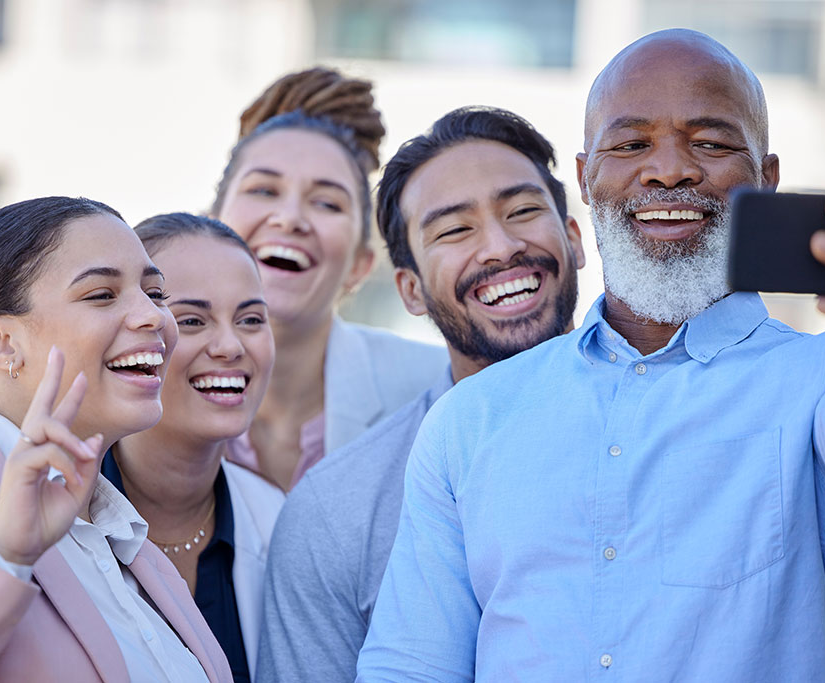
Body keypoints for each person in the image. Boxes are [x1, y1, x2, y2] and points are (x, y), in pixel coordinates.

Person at [357, 29, 825, 681]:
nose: (668, 170)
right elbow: (412, 666)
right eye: (632, 143)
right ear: (583, 178)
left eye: (711, 143)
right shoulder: (470, 421)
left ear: (766, 178)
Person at [257, 106, 585, 682]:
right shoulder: (336, 513)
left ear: (575, 239)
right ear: (409, 288)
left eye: (524, 211)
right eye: (455, 229)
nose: (500, 247)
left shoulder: (684, 429)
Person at [0, 197, 232, 681]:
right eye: (102, 294)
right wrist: (7, 555)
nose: (152, 317)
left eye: (155, 293)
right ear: (1, 343)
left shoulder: (125, 538)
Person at [212, 67, 448, 491]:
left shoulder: (435, 394)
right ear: (210, 226)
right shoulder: (139, 387)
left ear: (360, 264)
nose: (290, 218)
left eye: (325, 202)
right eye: (264, 190)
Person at [104, 213, 283, 683]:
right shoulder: (45, 519)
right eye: (191, 319)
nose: (230, 346)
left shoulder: (280, 520)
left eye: (250, 319)